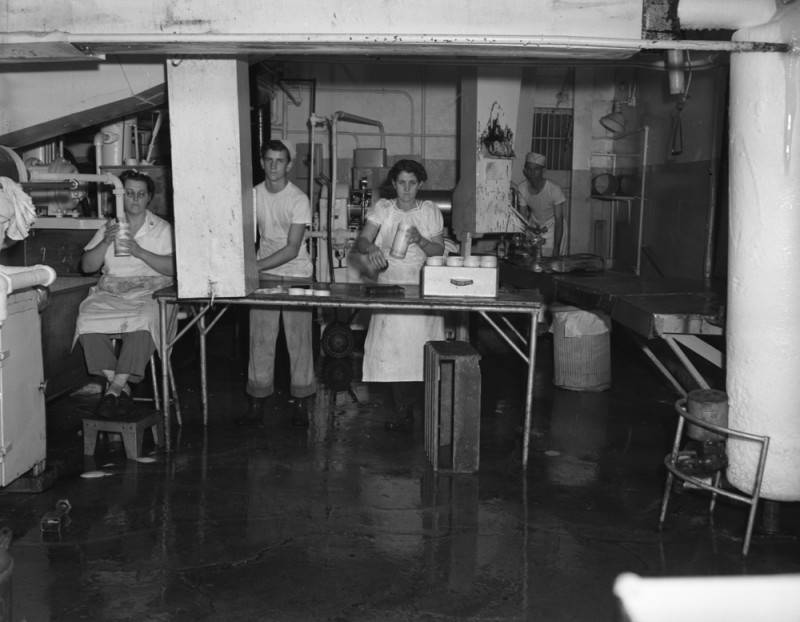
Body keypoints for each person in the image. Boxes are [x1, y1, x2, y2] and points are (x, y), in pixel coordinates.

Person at [76, 169, 175, 418]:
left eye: (140, 194)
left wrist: (140, 252)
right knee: (86, 317)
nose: (134, 199)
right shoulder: (109, 227)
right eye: (129, 193)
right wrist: (105, 242)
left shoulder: (162, 229)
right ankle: (120, 386)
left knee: (145, 320)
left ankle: (114, 389)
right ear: (120, 197)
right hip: (112, 293)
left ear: (149, 197)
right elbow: (87, 267)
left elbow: (175, 268)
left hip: (149, 293)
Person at [355, 159, 445, 431]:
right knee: (392, 353)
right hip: (390, 285)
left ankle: (423, 410)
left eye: (412, 183)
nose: (406, 189)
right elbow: (362, 239)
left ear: (420, 184)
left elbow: (438, 251)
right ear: (393, 184)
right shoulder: (384, 209)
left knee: (421, 352)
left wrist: (420, 239)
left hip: (421, 287)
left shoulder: (429, 212)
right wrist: (369, 248)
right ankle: (403, 411)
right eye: (401, 183)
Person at [239, 139, 315, 428]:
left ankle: (302, 404)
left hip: (296, 274)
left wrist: (252, 267)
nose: (273, 166)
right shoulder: (253, 195)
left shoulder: (298, 199)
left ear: (288, 165)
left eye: (279, 161)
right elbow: (246, 236)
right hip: (264, 275)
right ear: (261, 162)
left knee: (299, 342)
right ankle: (257, 402)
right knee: (260, 340)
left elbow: (293, 248)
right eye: (268, 160)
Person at [517, 151, 567, 257]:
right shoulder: (522, 188)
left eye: (536, 169)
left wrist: (556, 247)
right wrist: (525, 236)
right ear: (525, 171)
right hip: (533, 227)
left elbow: (559, 220)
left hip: (553, 229)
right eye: (529, 169)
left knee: (551, 264)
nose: (532, 173)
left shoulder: (554, 189)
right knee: (533, 262)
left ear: (543, 171)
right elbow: (522, 217)